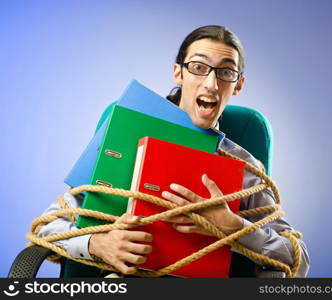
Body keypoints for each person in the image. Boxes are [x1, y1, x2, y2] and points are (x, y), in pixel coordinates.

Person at [39, 25, 310, 277]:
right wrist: (97, 243)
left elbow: (298, 261)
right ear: (178, 73)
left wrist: (233, 227)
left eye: (226, 72)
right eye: (198, 67)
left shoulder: (245, 167)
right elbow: (46, 226)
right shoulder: (122, 136)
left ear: (238, 85)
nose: (211, 84)